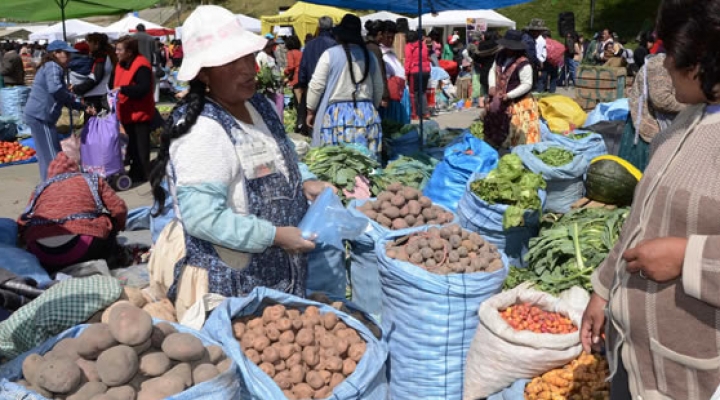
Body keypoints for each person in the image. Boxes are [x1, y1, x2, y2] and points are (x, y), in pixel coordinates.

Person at [146, 5, 334, 320]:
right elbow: (203, 218)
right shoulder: (202, 130)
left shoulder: (259, 105)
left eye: (248, 57)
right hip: (234, 282)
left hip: (279, 276)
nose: (247, 69)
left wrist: (304, 183)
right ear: (204, 72)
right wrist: (274, 236)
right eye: (232, 62)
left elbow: (278, 157)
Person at [581, 1, 720, 398]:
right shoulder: (686, 119)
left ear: (701, 61)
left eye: (670, 55)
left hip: (690, 377)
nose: (662, 66)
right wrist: (603, 289)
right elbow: (639, 219)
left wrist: (687, 257)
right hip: (634, 358)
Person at [17, 152, 127, 273]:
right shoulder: (92, 179)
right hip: (84, 248)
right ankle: (111, 258)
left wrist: (24, 241)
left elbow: (22, 221)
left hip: (42, 254)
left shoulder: (41, 188)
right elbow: (118, 209)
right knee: (106, 220)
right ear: (76, 169)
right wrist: (119, 226)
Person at [307, 14, 384, 158]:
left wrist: (310, 110)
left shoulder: (330, 55)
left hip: (338, 116)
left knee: (340, 163)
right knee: (366, 163)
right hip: (366, 113)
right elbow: (379, 87)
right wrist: (371, 108)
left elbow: (316, 86)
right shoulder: (369, 56)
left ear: (339, 35)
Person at [24, 40, 90, 182]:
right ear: (55, 53)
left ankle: (48, 185)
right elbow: (55, 89)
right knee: (52, 156)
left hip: (37, 115)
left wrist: (81, 106)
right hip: (41, 116)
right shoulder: (53, 66)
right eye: (66, 53)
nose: (69, 57)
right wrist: (72, 97)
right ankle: (54, 187)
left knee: (46, 154)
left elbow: (62, 94)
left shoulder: (50, 66)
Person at [617, 51, 685, 172]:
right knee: (642, 175)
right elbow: (662, 100)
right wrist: (696, 105)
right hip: (647, 130)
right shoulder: (659, 65)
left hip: (663, 128)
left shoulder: (679, 63)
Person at [111, 35, 155, 184]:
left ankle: (142, 174)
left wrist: (123, 89)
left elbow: (143, 88)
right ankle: (135, 172)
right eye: (115, 49)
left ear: (129, 52)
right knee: (130, 146)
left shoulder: (141, 65)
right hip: (125, 112)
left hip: (139, 113)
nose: (116, 52)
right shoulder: (121, 64)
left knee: (140, 147)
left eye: (119, 50)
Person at [484, 30, 540, 150]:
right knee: (494, 124)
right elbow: (492, 71)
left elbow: (527, 84)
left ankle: (514, 150)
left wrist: (509, 95)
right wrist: (492, 86)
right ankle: (495, 145)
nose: (508, 49)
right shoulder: (500, 56)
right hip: (498, 100)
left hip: (518, 102)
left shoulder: (523, 63)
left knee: (516, 132)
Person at [296, 16, 337, 136]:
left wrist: (302, 84)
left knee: (313, 124)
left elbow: (302, 67)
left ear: (318, 27)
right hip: (331, 90)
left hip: (311, 88)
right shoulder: (335, 45)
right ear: (331, 28)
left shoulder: (309, 45)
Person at [72, 33, 117, 113]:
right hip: (100, 95)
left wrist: (77, 89)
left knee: (94, 124)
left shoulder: (101, 58)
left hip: (96, 97)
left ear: (96, 44)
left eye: (89, 42)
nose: (87, 44)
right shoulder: (107, 55)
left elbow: (95, 79)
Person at [380, 20, 410, 125]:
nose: (390, 40)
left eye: (392, 38)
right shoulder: (380, 53)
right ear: (381, 35)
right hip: (390, 98)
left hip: (400, 95)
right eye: (387, 37)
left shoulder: (391, 53)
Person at [405, 30, 432, 120]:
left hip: (415, 70)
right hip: (426, 70)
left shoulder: (409, 46)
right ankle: (425, 113)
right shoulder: (423, 45)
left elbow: (408, 60)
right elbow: (427, 57)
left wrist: (406, 73)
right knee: (422, 92)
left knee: (413, 93)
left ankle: (414, 114)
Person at [364, 20, 389, 109]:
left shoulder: (364, 44)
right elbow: (380, 73)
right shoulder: (374, 48)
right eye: (384, 35)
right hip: (373, 91)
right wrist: (384, 95)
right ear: (379, 33)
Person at [284, 35, 303, 119]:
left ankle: (300, 121)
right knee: (302, 100)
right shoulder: (300, 52)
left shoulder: (290, 53)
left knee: (298, 102)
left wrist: (285, 73)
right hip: (303, 77)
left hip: (296, 79)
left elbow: (291, 67)